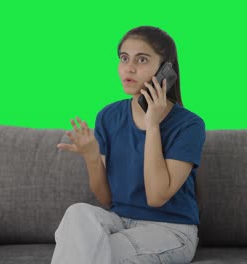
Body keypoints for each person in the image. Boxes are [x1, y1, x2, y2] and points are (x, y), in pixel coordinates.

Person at [52, 25, 206, 264]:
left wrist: (152, 124)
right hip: (120, 221)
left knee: (92, 252)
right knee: (77, 213)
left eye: (142, 59)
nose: (129, 68)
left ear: (165, 69)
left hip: (171, 229)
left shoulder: (189, 125)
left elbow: (156, 197)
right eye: (124, 58)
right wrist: (92, 156)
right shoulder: (108, 116)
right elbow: (107, 200)